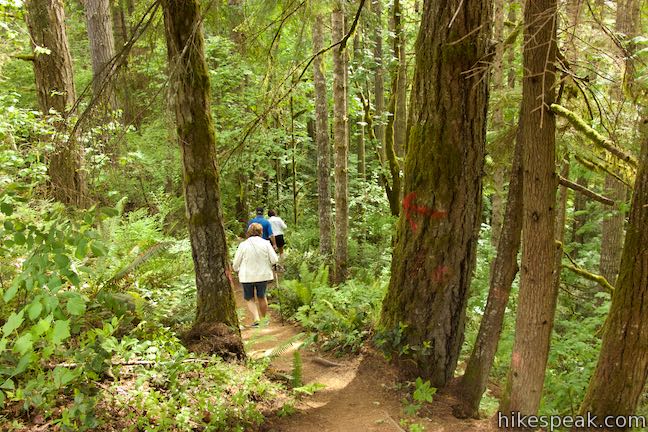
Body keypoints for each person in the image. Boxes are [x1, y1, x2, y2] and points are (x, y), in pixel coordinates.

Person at [233, 223, 278, 327]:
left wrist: (236, 269)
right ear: (261, 232)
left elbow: (236, 262)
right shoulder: (266, 243)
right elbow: (274, 259)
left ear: (249, 232)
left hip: (247, 276)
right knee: (262, 296)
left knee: (249, 298)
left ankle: (256, 319)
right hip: (263, 275)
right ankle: (264, 319)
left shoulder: (243, 245)